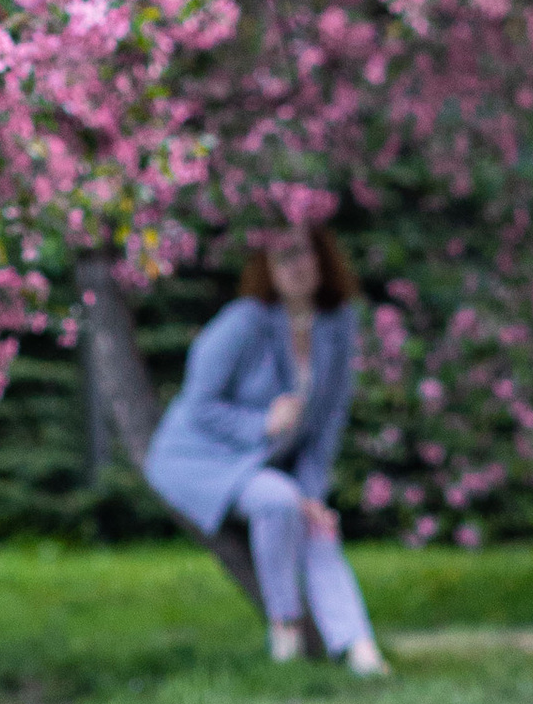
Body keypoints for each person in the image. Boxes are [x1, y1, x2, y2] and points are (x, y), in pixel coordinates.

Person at [145, 221, 391, 674]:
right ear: (266, 269)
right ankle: (286, 628)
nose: (296, 266)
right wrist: (262, 423)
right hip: (196, 459)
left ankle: (358, 648)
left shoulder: (338, 324)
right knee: (279, 502)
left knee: (316, 523)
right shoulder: (243, 322)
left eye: (303, 253)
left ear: (323, 257)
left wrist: (313, 492)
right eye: (282, 258)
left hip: (260, 466)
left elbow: (329, 420)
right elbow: (198, 406)